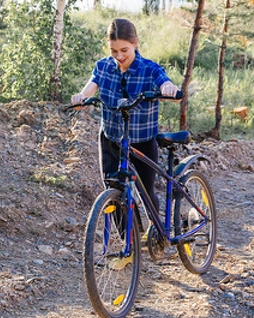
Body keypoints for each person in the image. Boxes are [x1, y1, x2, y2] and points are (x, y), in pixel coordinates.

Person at [71, 18, 179, 212]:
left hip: (142, 140)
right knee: (114, 190)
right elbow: (90, 87)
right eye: (114, 51)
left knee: (146, 192)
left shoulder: (149, 69)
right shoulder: (103, 67)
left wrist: (168, 88)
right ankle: (129, 241)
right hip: (111, 139)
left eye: (124, 50)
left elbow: (164, 82)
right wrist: (81, 97)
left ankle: (157, 234)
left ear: (135, 43)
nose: (119, 56)